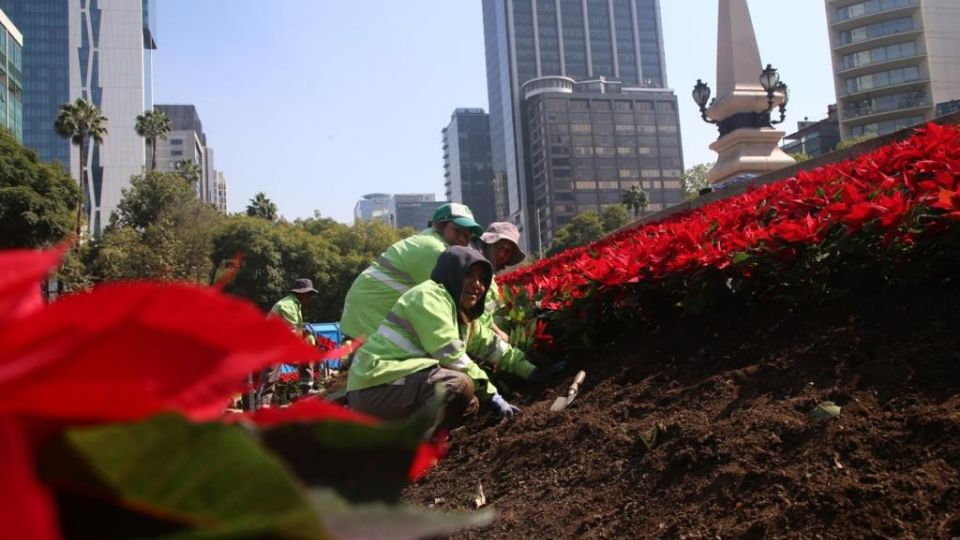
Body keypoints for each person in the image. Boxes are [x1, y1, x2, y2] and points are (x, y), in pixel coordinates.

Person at [347, 246, 557, 428]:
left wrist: (532, 372)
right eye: (469, 275)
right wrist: (494, 395)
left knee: (470, 402)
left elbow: (493, 347)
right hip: (374, 387)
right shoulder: (428, 298)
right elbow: (451, 355)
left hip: (394, 384)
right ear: (451, 274)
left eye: (482, 279)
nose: (477, 285)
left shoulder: (461, 315)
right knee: (457, 385)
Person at [339, 203, 484, 342]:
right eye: (458, 231)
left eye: (467, 236)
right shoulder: (434, 249)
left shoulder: (430, 241)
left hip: (367, 313)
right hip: (371, 315)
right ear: (439, 226)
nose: (462, 239)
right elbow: (457, 301)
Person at [257, 278, 319, 406]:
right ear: (303, 293)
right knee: (269, 379)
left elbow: (298, 329)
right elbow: (293, 332)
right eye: (309, 294)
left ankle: (306, 389)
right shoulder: (288, 305)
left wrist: (309, 338)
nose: (310, 298)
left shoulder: (295, 304)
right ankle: (262, 409)